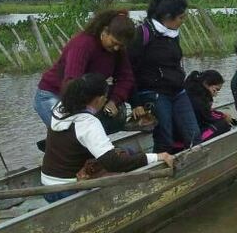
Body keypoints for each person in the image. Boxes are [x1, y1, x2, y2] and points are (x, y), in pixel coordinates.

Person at [40, 73, 174, 203]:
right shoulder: (87, 123)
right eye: (105, 98)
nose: (105, 101)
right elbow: (113, 162)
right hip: (67, 190)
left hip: (47, 185)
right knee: (125, 163)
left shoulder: (61, 107)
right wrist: (157, 157)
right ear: (98, 99)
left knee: (126, 151)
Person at [34, 9, 136, 131]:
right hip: (53, 94)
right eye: (114, 43)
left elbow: (126, 78)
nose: (116, 48)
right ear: (104, 31)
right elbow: (71, 84)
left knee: (94, 129)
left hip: (85, 96)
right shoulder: (83, 44)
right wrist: (84, 114)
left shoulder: (118, 50)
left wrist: (114, 100)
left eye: (121, 45)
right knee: (70, 134)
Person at [128, 0, 201, 153]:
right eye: (181, 17)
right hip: (155, 94)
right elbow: (128, 71)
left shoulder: (172, 34)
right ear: (168, 17)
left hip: (178, 91)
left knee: (194, 135)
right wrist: (135, 103)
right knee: (164, 139)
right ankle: (158, 173)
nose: (183, 20)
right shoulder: (142, 34)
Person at [184, 69, 236, 141]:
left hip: (186, 131)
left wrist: (221, 114)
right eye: (216, 89)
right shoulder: (198, 98)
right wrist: (223, 117)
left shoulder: (192, 90)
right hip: (189, 137)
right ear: (206, 84)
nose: (216, 94)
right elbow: (208, 117)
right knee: (224, 125)